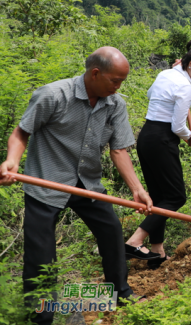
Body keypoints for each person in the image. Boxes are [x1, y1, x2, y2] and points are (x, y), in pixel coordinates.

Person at [0, 47, 153, 324]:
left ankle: (120, 291)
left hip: (87, 184)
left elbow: (119, 150)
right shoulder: (53, 95)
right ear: (95, 73)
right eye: (115, 81)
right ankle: (42, 313)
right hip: (46, 181)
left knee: (112, 231)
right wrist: (12, 162)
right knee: (40, 252)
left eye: (122, 81)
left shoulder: (115, 104)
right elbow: (21, 132)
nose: (119, 87)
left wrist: (137, 189)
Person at [125, 40, 191, 268]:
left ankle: (157, 252)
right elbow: (177, 126)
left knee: (159, 198)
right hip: (163, 138)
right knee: (176, 197)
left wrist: (177, 70)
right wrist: (190, 137)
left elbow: (150, 93)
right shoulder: (185, 85)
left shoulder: (166, 74)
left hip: (146, 136)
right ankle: (135, 241)